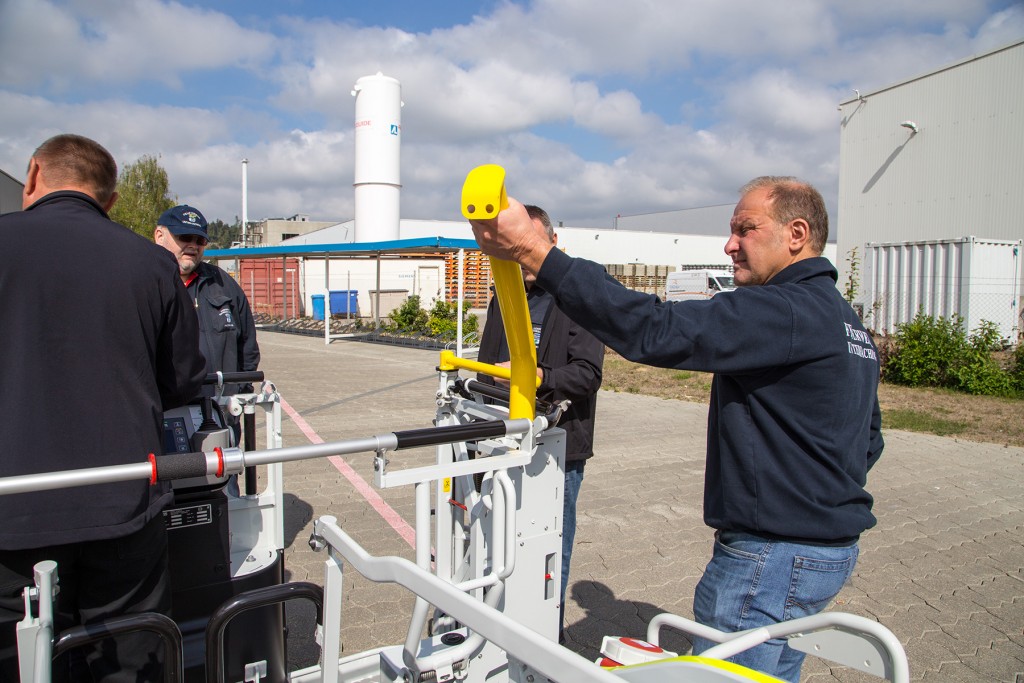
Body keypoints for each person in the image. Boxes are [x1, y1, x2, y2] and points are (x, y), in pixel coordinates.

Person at [470, 177, 883, 682]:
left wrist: (534, 252)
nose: (730, 244)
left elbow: (656, 330)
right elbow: (868, 438)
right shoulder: (846, 321)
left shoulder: (786, 310)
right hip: (825, 552)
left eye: (744, 229)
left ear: (796, 233)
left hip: (771, 557)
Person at [0, 134, 206, 681]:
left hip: (11, 514)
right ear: (110, 201)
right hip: (123, 500)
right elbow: (185, 379)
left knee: (20, 658)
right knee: (127, 656)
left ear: (33, 175)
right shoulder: (151, 264)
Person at [476, 205, 603, 643]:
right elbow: (487, 366)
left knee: (548, 553)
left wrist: (538, 377)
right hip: (501, 439)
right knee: (497, 546)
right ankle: (497, 635)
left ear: (550, 244)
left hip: (556, 449)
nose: (522, 260)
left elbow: (587, 374)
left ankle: (547, 640)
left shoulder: (577, 299)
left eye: (528, 248)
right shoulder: (505, 294)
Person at [154, 204, 260, 402]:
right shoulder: (144, 283)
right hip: (165, 415)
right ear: (160, 236)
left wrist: (237, 392)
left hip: (220, 411)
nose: (193, 246)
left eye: (200, 240)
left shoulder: (223, 284)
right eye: (184, 237)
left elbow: (247, 347)